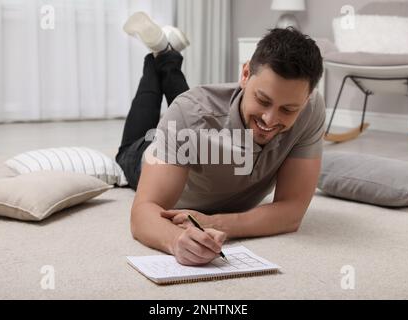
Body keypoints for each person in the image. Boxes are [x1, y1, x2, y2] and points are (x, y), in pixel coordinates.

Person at [116, 12, 325, 266]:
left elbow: (291, 213)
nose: (270, 120)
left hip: (196, 127)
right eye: (263, 100)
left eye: (288, 109)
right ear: (245, 74)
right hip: (144, 155)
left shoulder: (311, 108)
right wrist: (175, 240)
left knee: (193, 114)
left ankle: (165, 54)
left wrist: (215, 222)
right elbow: (143, 213)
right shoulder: (188, 113)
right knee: (130, 146)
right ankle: (158, 57)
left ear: (307, 97)